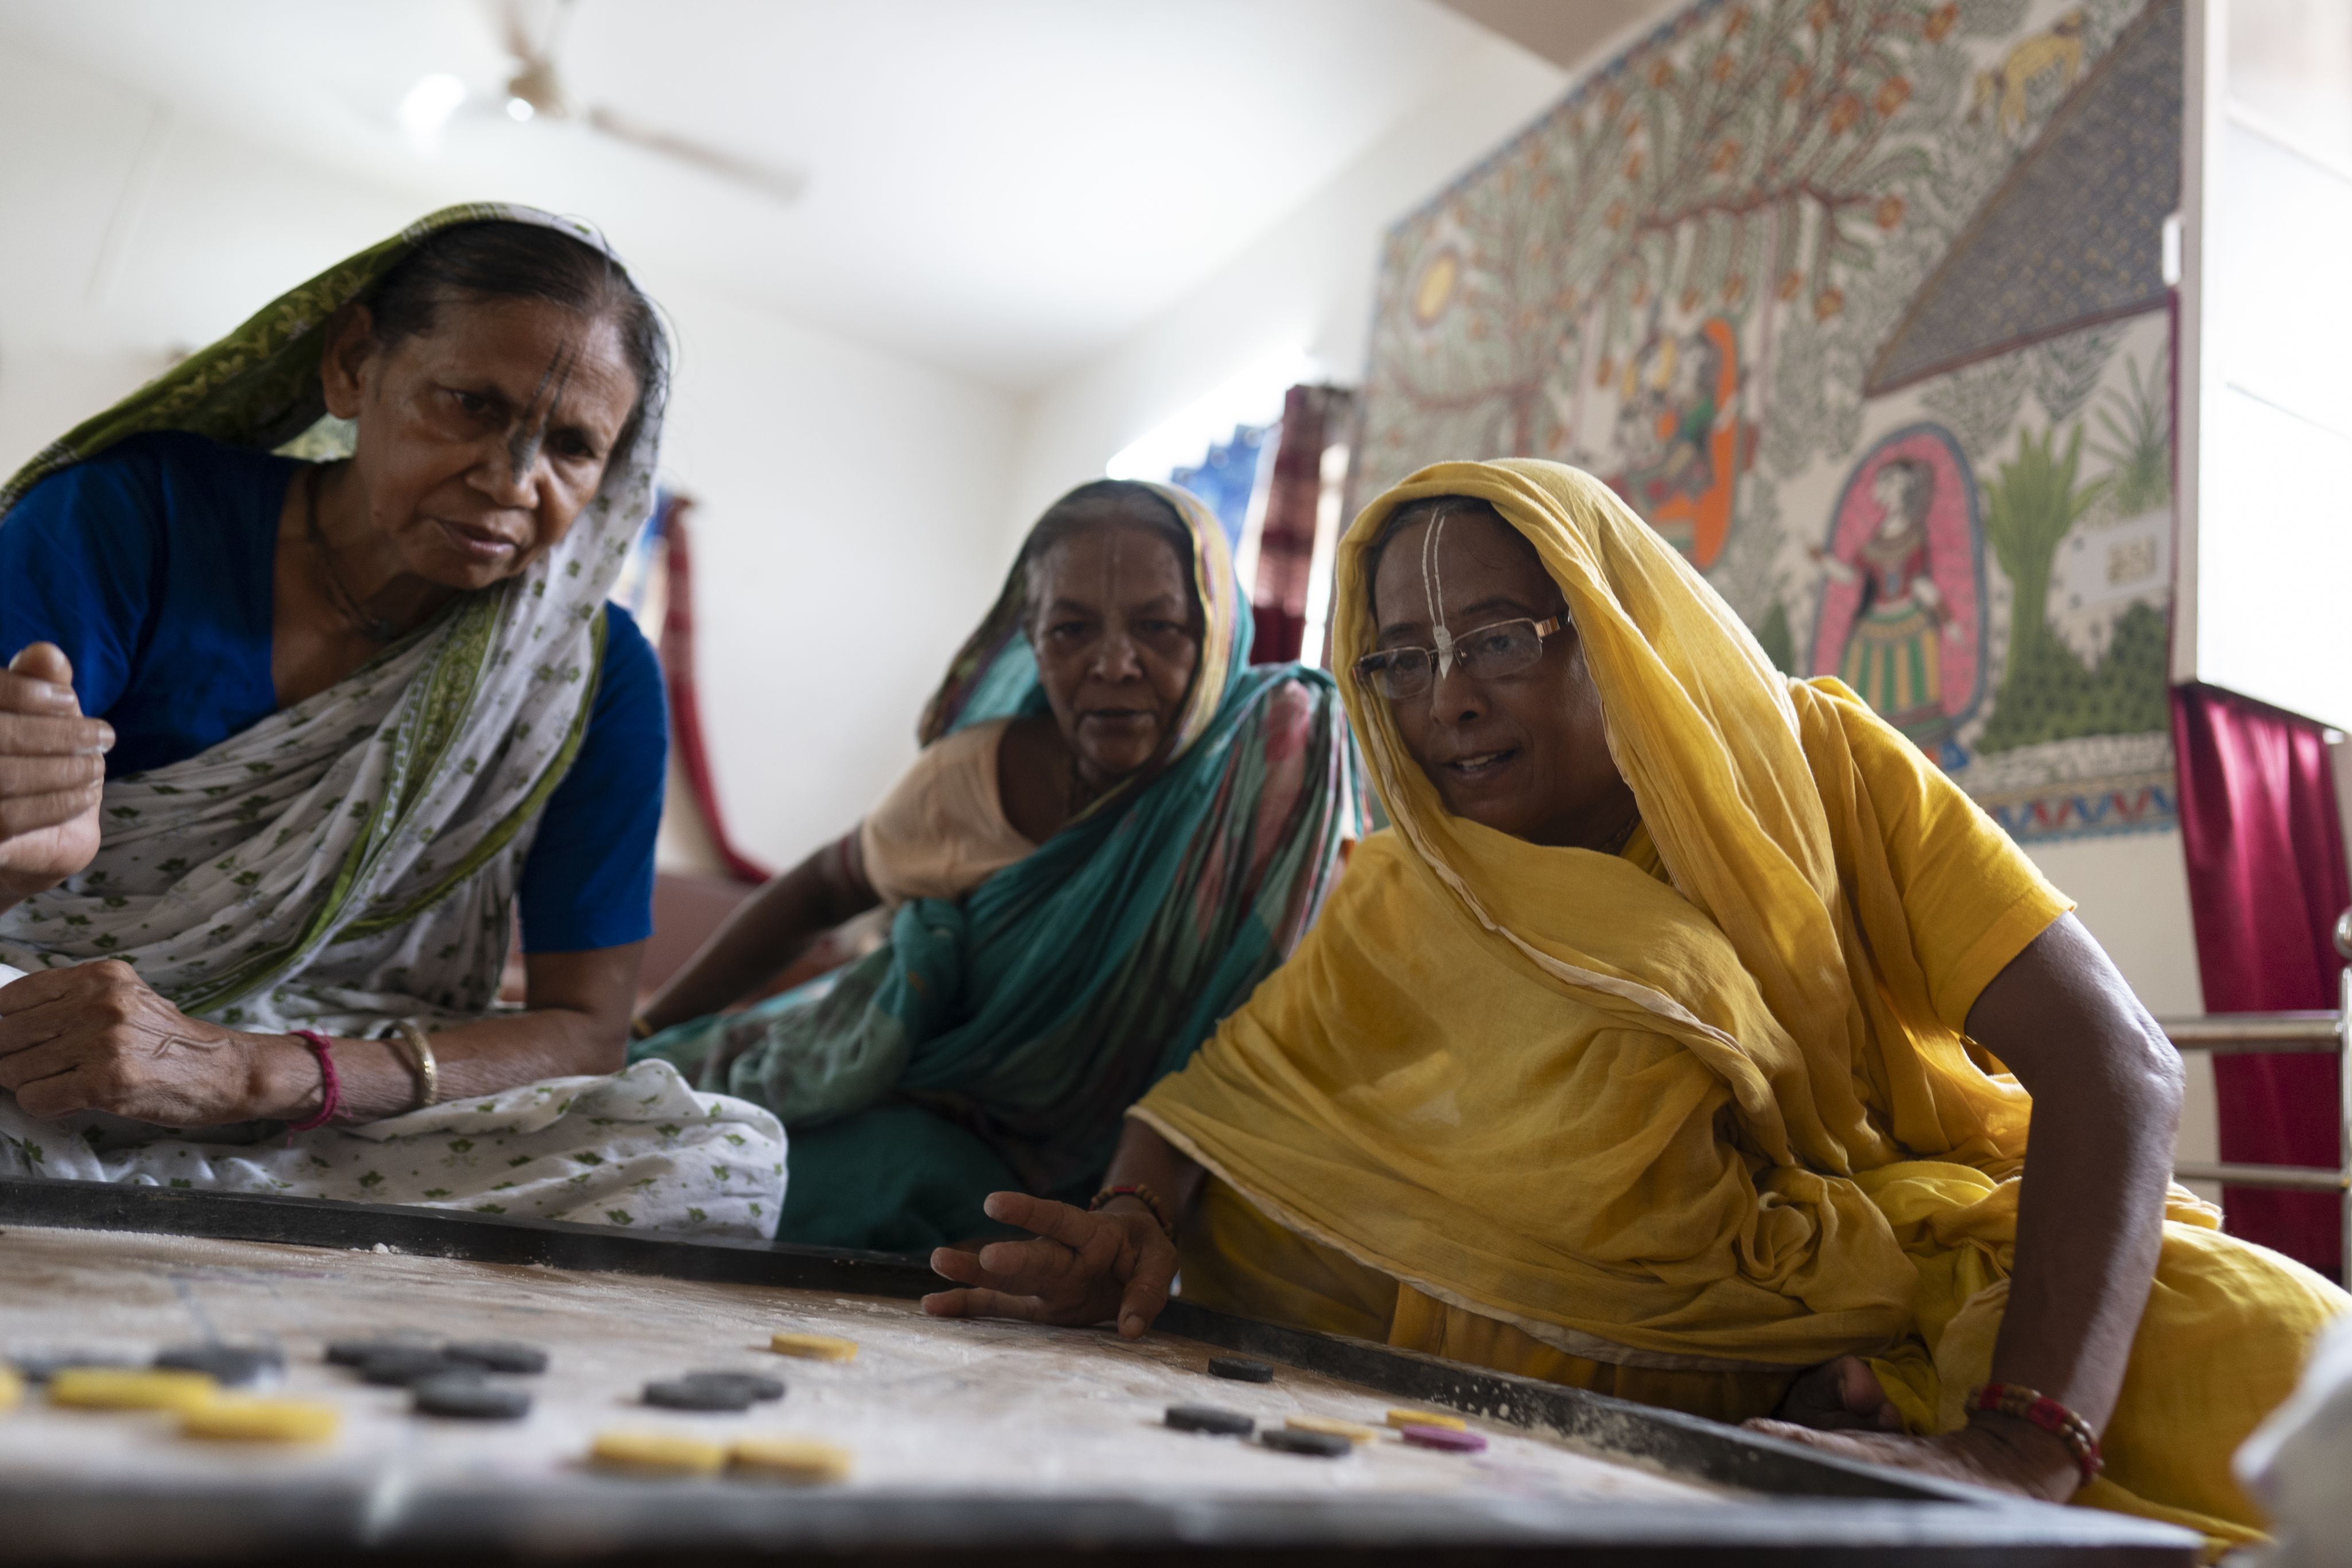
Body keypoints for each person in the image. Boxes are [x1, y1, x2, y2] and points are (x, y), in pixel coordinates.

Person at [922, 458, 2349, 1549]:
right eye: (1400, 661)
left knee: (2279, 1366)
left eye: (1498, 639)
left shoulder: (1814, 765)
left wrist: (2020, 1444)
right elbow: (1226, 1092)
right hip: (1616, 1365)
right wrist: (1133, 1217)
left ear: (1608, 628)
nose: (1444, 703)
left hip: (1925, 1293)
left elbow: (2114, 1065)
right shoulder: (1407, 887)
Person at [0, 206, 784, 1236]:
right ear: (354, 366)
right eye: (470, 405)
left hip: (330, 1096)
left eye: (572, 447)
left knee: (717, 1161)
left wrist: (254, 1073)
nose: (512, 482)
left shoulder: (586, 673)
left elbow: (588, 1030)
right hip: (55, 1028)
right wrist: (20, 859)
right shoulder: (133, 515)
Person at [631, 480, 1361, 1252]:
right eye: (1071, 629)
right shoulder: (971, 780)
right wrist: (645, 1027)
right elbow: (820, 891)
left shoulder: (1280, 771)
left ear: (1218, 632)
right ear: (1032, 642)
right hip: (912, 1116)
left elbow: (1277, 1026)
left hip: (1158, 1190)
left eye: (1160, 626)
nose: (1114, 664)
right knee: (654, 1169)